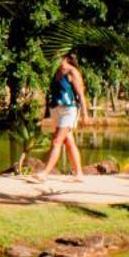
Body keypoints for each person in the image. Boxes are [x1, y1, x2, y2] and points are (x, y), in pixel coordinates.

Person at [37, 52, 90, 180]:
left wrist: (85, 114)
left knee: (57, 141)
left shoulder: (72, 72)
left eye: (57, 56)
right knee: (68, 141)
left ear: (65, 57)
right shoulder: (56, 72)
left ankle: (44, 173)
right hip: (56, 110)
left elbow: (81, 94)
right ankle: (79, 173)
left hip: (69, 110)